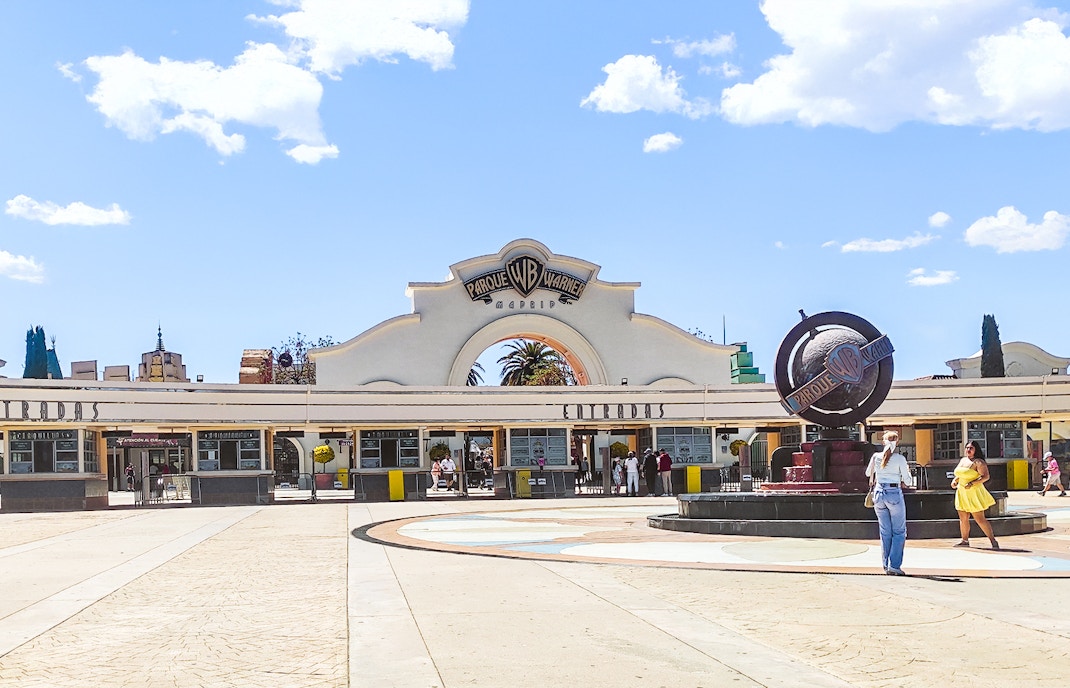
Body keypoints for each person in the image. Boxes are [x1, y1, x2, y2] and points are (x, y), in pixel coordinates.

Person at [865, 431, 912, 575]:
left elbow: (868, 473)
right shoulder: (899, 459)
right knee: (899, 531)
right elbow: (908, 481)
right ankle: (894, 565)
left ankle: (886, 565)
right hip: (893, 493)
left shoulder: (876, 457)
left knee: (885, 531)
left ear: (883, 442)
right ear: (896, 443)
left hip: (879, 493)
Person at [951, 440, 999, 550]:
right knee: (963, 518)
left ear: (975, 450)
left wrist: (972, 483)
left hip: (973, 492)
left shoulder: (978, 462)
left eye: (971, 448)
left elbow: (985, 476)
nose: (968, 450)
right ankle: (964, 540)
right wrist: (955, 480)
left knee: (979, 518)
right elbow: (960, 473)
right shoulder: (963, 460)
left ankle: (992, 540)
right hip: (961, 492)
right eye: (967, 448)